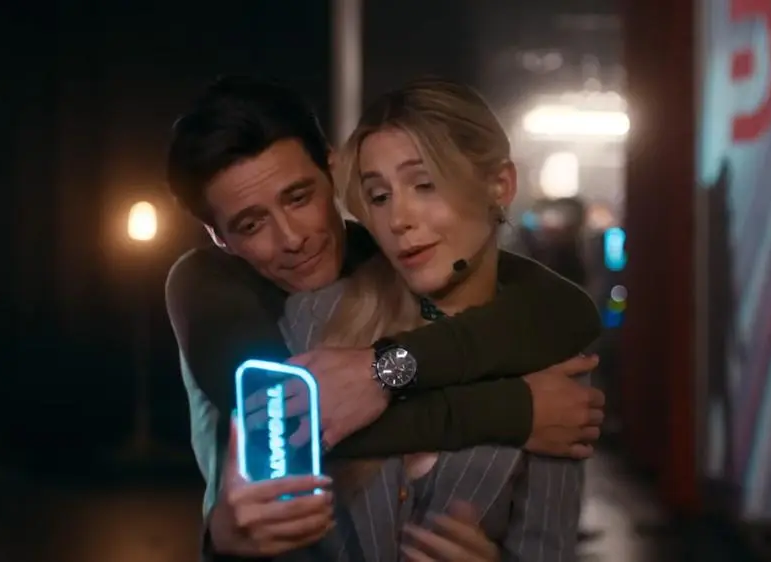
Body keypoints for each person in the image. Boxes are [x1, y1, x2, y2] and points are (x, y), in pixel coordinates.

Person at [164, 76, 602, 559]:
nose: (291, 238)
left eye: (299, 197)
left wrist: (384, 369)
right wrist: (515, 411)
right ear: (219, 236)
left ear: (331, 170)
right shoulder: (214, 287)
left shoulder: (400, 253)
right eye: (251, 224)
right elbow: (294, 423)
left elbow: (567, 310)